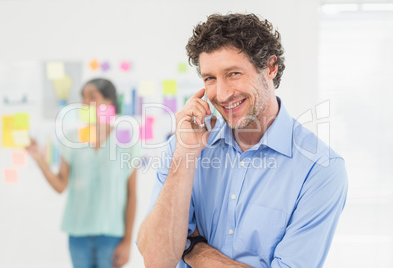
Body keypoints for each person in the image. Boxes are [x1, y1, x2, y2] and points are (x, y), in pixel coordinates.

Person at [137, 13, 348, 268]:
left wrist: (194, 249)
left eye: (234, 73)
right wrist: (185, 154)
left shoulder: (320, 168)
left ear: (270, 67)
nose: (223, 94)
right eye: (210, 78)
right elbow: (157, 260)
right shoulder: (184, 146)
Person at [26, 78, 140, 268]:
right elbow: (60, 185)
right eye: (83, 97)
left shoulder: (126, 142)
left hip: (112, 236)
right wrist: (39, 159)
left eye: (92, 97)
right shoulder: (71, 139)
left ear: (109, 101)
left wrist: (128, 241)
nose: (85, 103)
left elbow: (132, 196)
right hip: (77, 235)